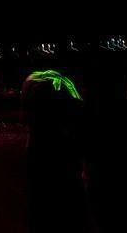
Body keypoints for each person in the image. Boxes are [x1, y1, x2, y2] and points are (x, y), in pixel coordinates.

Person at [21, 70, 86, 232]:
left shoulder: (33, 83)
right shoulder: (63, 86)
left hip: (39, 155)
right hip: (58, 158)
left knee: (40, 210)